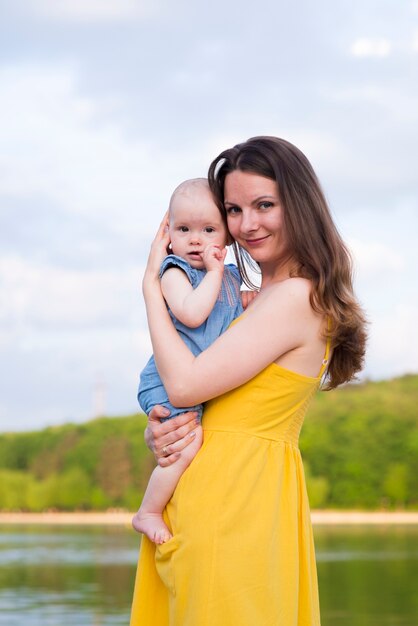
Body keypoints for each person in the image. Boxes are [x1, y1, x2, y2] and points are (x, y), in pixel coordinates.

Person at [130, 136, 367, 626]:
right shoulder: (255, 297)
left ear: (298, 205)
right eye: (234, 210)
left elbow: (186, 384)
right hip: (217, 496)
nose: (247, 224)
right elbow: (207, 402)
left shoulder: (295, 297)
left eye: (264, 204)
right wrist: (163, 428)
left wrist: (152, 288)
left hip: (234, 502)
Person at [132, 177, 243, 544]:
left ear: (226, 236)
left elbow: (233, 316)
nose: (196, 239)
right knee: (187, 445)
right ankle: (147, 511)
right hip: (165, 381)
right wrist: (212, 272)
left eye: (209, 229)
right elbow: (193, 314)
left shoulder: (228, 278)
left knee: (191, 443)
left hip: (193, 381)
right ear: (168, 236)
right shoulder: (175, 274)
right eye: (184, 229)